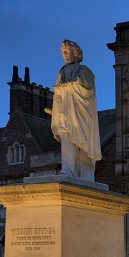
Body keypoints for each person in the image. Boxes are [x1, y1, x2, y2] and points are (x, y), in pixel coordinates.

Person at [48, 40, 101, 181]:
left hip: (81, 113)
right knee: (66, 137)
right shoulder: (62, 71)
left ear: (75, 53)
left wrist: (64, 88)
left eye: (67, 52)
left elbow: (86, 88)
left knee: (82, 144)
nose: (65, 55)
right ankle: (67, 169)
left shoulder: (84, 71)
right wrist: (56, 107)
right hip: (65, 111)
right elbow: (57, 93)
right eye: (63, 53)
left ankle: (85, 174)